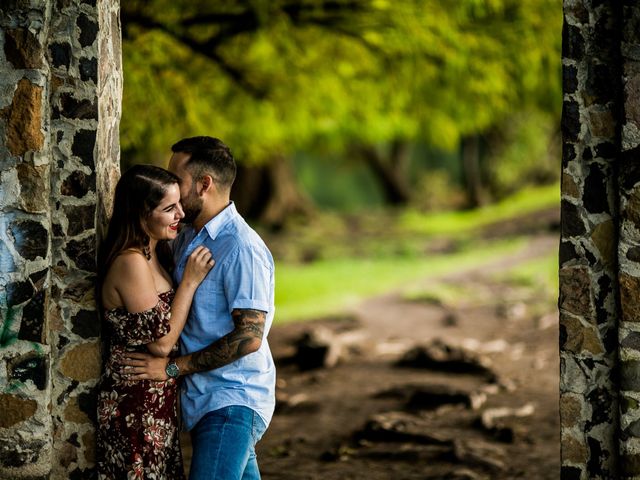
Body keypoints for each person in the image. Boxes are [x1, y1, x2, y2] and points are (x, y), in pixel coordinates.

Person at [121, 137, 276, 480]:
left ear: (204, 184)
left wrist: (172, 368)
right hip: (204, 400)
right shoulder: (188, 235)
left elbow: (250, 336)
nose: (171, 186)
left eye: (178, 179)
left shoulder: (240, 247)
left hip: (232, 399)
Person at [96, 164, 214, 480]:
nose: (181, 214)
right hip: (133, 404)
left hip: (155, 401)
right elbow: (161, 344)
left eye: (179, 204)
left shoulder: (155, 254)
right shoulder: (131, 262)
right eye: (168, 208)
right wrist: (189, 283)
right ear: (141, 213)